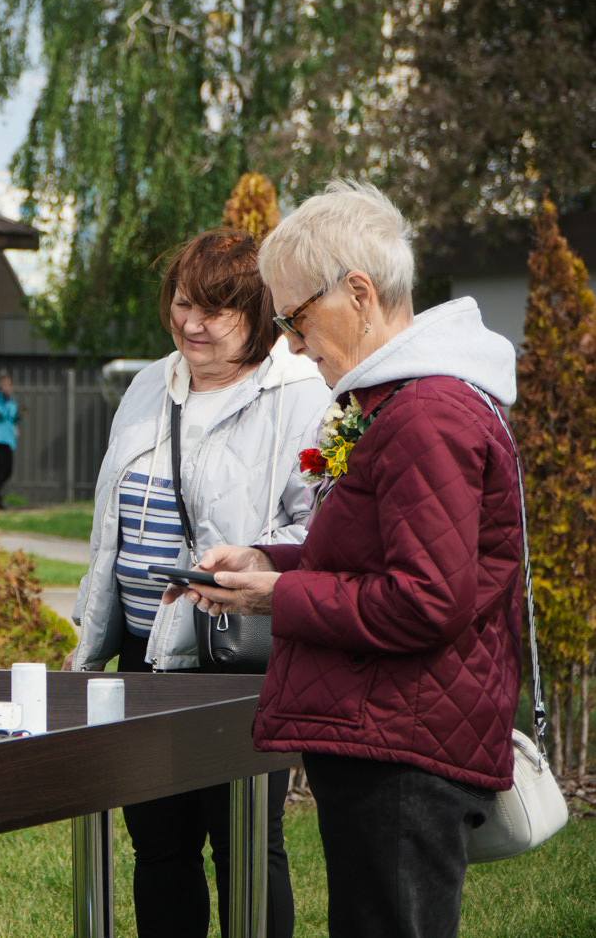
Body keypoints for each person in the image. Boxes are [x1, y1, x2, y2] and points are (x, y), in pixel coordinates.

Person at [168, 181, 523, 938]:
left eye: (295, 318)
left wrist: (274, 597)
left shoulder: (425, 414)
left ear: (358, 294)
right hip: (396, 725)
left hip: (402, 741)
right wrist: (265, 559)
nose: (294, 344)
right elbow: (377, 550)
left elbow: (423, 600)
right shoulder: (406, 402)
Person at [68, 227, 326, 938]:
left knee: (245, 845)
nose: (191, 323)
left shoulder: (301, 395)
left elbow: (321, 528)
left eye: (215, 310)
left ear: (257, 312)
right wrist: (93, 631)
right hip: (141, 655)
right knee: (157, 847)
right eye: (183, 303)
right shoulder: (149, 383)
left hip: (234, 659)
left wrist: (254, 561)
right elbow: (110, 522)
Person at [0, 370, 19, 509]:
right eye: (4, 385)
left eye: (9, 385)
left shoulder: (12, 402)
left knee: (8, 471)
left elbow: (14, 418)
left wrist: (16, 429)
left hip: (9, 440)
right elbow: (0, 414)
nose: (7, 388)